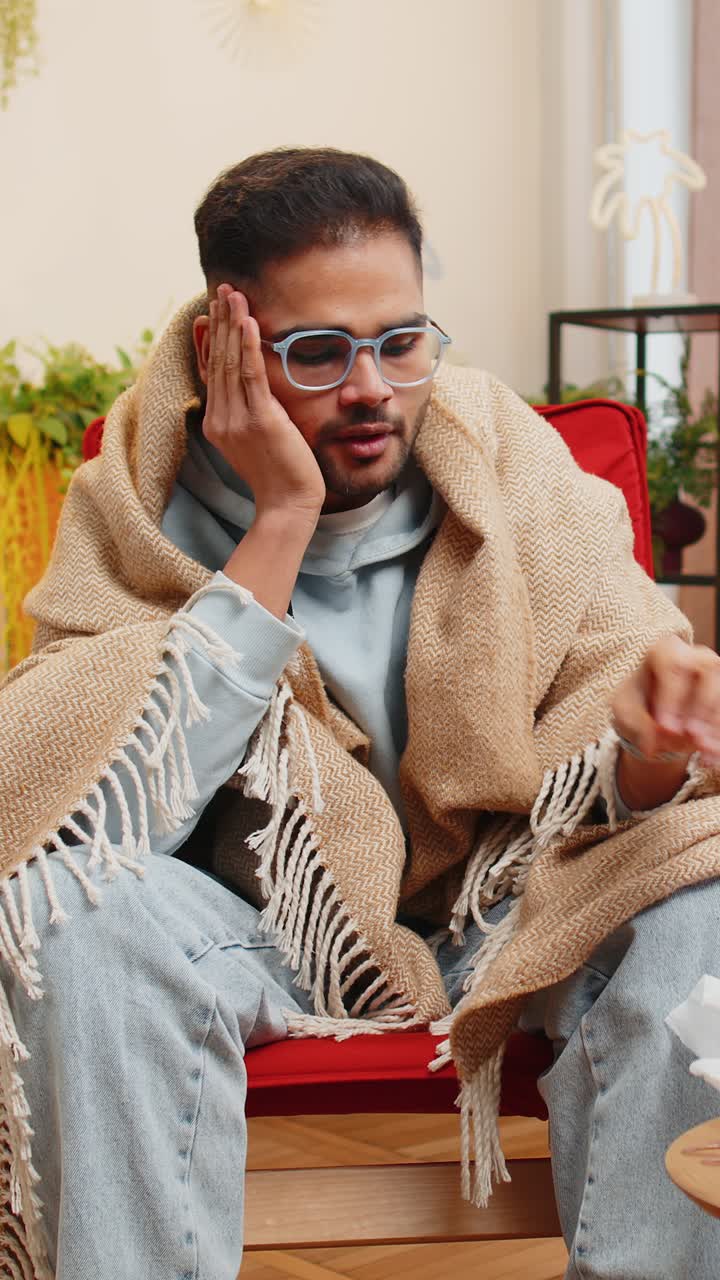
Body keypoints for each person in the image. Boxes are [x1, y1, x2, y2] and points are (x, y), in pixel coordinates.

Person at [1, 146, 720, 1280]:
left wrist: (648, 748)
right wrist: (281, 516)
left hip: (509, 908)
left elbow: (612, 775)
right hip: (268, 933)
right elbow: (98, 818)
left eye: (402, 340)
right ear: (226, 344)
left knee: (699, 884)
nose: (375, 387)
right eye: (320, 352)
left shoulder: (510, 467)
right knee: (75, 912)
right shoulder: (136, 499)